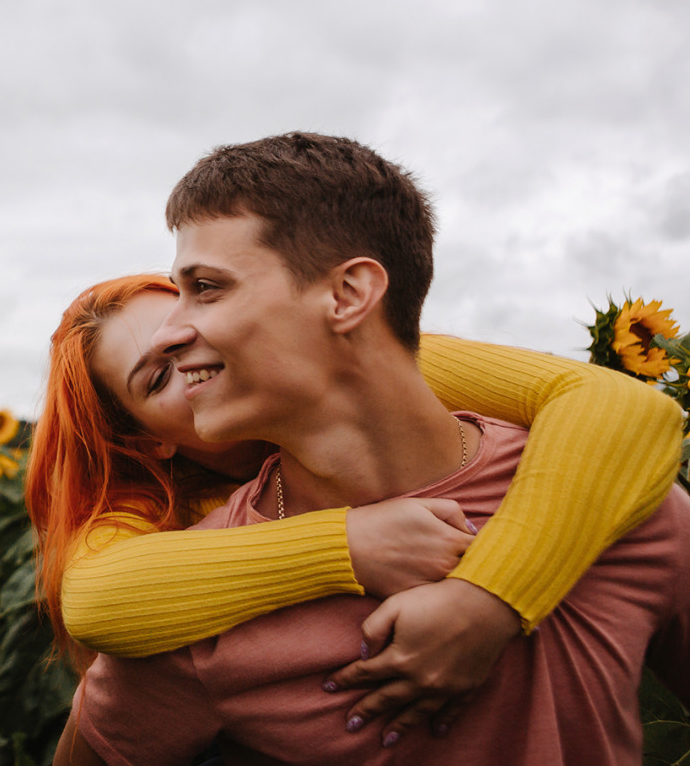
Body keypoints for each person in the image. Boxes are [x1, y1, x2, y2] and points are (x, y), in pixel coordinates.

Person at [46, 133, 690, 764]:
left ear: (349, 297)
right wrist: (347, 543)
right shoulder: (184, 608)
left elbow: (625, 406)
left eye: (207, 289)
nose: (180, 336)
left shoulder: (612, 494)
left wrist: (489, 597)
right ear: (148, 442)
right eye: (154, 378)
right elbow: (97, 599)